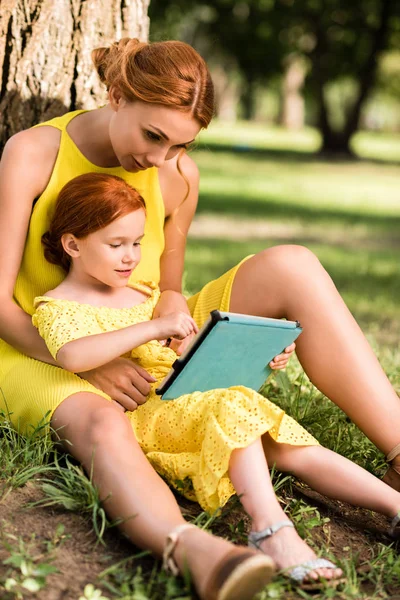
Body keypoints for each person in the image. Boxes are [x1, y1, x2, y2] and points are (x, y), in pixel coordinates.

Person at [0, 35, 398, 591]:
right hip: (38, 341)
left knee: (294, 265)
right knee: (99, 419)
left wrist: (221, 339)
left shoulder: (178, 172)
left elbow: (168, 286)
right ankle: (193, 551)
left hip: (140, 328)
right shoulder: (34, 152)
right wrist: (86, 365)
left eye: (178, 145)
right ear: (117, 94)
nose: (160, 159)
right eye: (153, 136)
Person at [33, 173, 400, 586]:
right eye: (115, 245)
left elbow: (180, 352)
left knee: (289, 446)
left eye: (137, 243)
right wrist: (153, 329)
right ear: (72, 244)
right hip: (150, 416)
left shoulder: (142, 295)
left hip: (189, 395)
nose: (130, 257)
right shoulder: (58, 306)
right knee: (236, 414)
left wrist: (260, 353)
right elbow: (72, 354)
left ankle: (394, 505)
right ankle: (270, 530)